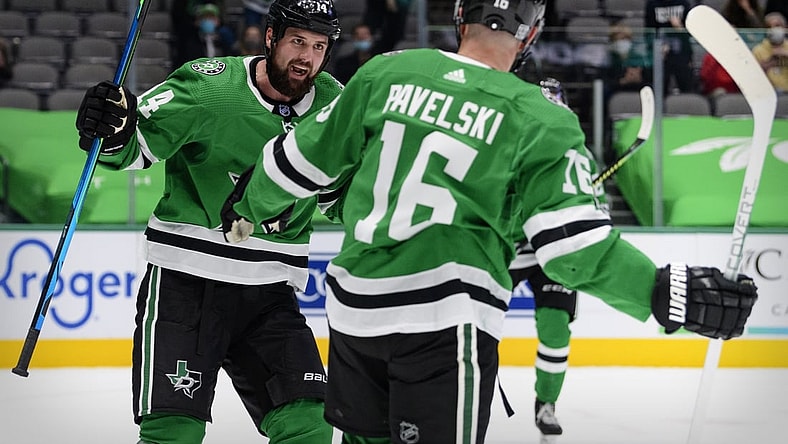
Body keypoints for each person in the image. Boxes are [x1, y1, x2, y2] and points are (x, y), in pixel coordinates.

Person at [221, 0, 758, 441]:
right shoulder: (541, 118)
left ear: (460, 17)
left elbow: (296, 163)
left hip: (355, 322)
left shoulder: (388, 71)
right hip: (441, 324)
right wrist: (668, 292)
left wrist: (247, 207)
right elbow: (575, 253)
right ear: (531, 35)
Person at [73, 0, 343, 442]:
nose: (306, 58)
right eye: (297, 41)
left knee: (309, 423)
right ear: (270, 37)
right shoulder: (210, 86)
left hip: (270, 293)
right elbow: (132, 148)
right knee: (174, 433)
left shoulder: (334, 104)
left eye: (318, 47)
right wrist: (110, 130)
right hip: (186, 285)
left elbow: (340, 195)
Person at [510, 242, 575, 443]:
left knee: (556, 328)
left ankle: (546, 403)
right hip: (505, 241)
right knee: (473, 317)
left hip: (554, 245)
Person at [644, 0, 695, 94]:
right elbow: (648, 32)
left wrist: (679, 27)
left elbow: (690, 34)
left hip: (681, 54)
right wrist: (658, 47)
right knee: (660, 88)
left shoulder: (683, 3)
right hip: (660, 55)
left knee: (687, 86)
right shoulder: (652, 4)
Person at [171, 2, 237, 67]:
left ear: (218, 21)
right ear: (197, 21)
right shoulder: (189, 42)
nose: (208, 21)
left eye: (211, 18)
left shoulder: (223, 40)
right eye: (205, 18)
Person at [752, 12, 788, 94]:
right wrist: (770, 61)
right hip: (769, 93)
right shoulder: (758, 50)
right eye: (769, 27)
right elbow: (753, 76)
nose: (773, 29)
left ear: (785, 27)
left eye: (777, 26)